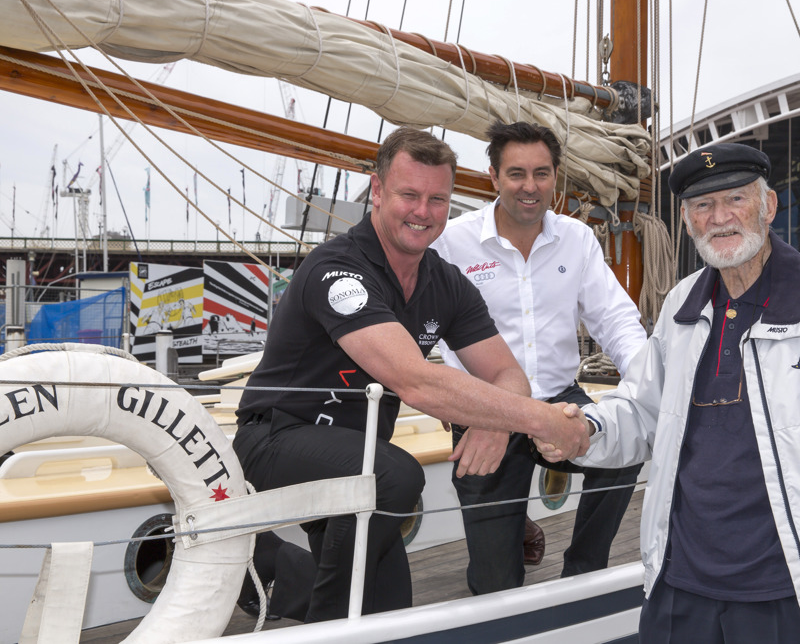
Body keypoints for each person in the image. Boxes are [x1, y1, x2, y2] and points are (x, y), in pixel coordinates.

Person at [538, 143, 800, 644]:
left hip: (793, 594)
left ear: (769, 205)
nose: (719, 218)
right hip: (680, 589)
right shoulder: (681, 305)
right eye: (703, 206)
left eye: (735, 199)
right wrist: (586, 431)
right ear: (686, 219)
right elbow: (641, 412)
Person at [233, 127, 590, 623]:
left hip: (357, 461)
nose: (423, 212)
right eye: (409, 195)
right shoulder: (337, 270)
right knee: (398, 475)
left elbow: (507, 371)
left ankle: (286, 581)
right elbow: (415, 380)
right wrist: (541, 421)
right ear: (377, 192)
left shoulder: (445, 282)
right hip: (276, 440)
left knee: (391, 615)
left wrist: (495, 421)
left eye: (437, 199)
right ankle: (310, 610)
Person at [431, 121, 647, 594]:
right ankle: (508, 539)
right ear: (493, 177)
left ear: (556, 177)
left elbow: (615, 320)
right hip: (484, 407)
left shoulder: (577, 239)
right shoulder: (452, 243)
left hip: (560, 399)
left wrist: (649, 383)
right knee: (493, 584)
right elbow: (428, 332)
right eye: (516, 174)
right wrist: (459, 402)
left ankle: (584, 570)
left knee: (626, 445)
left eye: (542, 173)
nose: (530, 187)